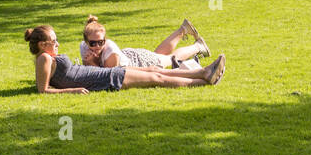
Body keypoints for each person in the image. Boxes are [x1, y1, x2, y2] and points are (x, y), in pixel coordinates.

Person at [25, 25, 226, 93]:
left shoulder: (48, 56)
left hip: (103, 73)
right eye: (53, 41)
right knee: (157, 79)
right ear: (42, 45)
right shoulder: (44, 58)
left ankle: (204, 75)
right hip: (103, 80)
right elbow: (43, 91)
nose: (57, 43)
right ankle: (204, 76)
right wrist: (73, 90)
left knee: (154, 71)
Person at [79, 15, 210, 72]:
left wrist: (91, 63)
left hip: (139, 61)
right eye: (93, 43)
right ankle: (183, 30)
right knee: (159, 55)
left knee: (170, 59)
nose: (97, 46)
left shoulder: (110, 51)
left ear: (105, 40)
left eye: (100, 42)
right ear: (86, 42)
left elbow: (107, 77)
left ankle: (198, 46)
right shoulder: (83, 47)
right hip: (131, 56)